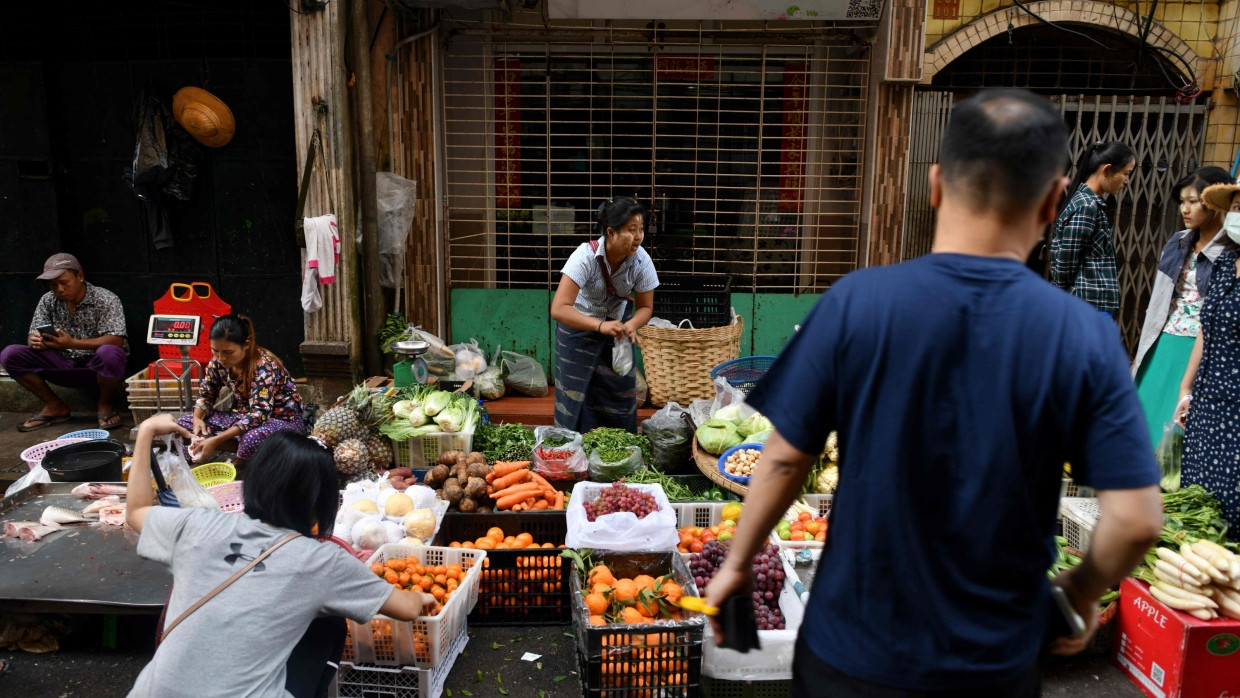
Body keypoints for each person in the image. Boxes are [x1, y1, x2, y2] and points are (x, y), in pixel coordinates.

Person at [704, 89, 1163, 697]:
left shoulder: (857, 303)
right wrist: (1078, 592)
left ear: (936, 184)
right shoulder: (1085, 334)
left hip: (851, 655)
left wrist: (738, 564)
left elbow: (786, 458)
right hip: (993, 667)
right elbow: (1135, 519)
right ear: (1055, 199)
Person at [125, 415, 435, 698]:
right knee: (328, 623)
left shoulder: (199, 524)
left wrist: (147, 432)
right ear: (322, 500)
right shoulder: (321, 561)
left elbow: (136, 511)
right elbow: (406, 609)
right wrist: (420, 597)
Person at [1132, 167, 1237, 446]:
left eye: (1193, 201)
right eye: (1182, 201)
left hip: (1203, 345)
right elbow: (1160, 299)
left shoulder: (1231, 252)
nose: (1185, 209)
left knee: (1180, 428)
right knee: (1147, 416)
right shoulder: (1178, 241)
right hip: (1165, 338)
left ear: (1214, 203)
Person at [549, 196, 658, 432]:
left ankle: (620, 446)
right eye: (631, 230)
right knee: (575, 396)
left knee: (619, 394)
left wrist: (631, 325)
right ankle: (573, 448)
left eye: (641, 229)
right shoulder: (584, 257)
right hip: (577, 329)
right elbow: (559, 308)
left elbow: (646, 308)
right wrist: (600, 326)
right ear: (611, 232)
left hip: (618, 331)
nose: (638, 236)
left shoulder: (642, 261)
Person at [1174, 180, 1240, 528]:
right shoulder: (1227, 263)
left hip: (1236, 411)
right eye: (1236, 208)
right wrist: (1187, 389)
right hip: (1207, 402)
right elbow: (1206, 325)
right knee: (1200, 502)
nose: (1237, 215)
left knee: (1232, 506)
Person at [0, 253, 129, 431]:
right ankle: (55, 406)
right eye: (53, 285)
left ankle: (105, 405)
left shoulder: (106, 299)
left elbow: (116, 340)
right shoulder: (48, 300)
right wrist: (35, 340)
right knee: (10, 354)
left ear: (80, 276)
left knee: (111, 353)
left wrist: (72, 343)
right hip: (60, 364)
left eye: (64, 282)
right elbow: (32, 334)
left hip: (95, 367)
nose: (59, 289)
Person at [178, 315, 304, 464]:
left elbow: (259, 413)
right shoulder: (217, 363)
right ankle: (225, 446)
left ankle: (238, 460)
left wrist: (217, 439)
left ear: (246, 345)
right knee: (182, 425)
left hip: (281, 420)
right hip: (241, 415)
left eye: (228, 352)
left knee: (252, 438)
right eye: (215, 351)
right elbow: (207, 394)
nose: (221, 358)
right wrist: (197, 419)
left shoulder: (264, 366)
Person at [1050, 140, 1137, 316]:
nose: (1127, 181)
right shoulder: (1086, 206)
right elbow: (1065, 267)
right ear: (1107, 170)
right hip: (1085, 306)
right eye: (1126, 174)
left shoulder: (1088, 203)